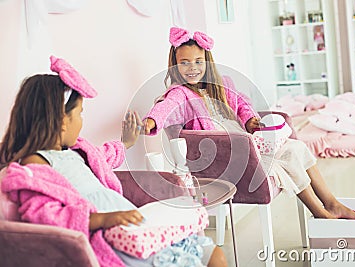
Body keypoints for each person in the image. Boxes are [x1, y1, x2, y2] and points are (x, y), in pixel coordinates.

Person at [0, 56, 227, 267]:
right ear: (61, 121)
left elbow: (102, 158)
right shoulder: (34, 167)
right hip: (116, 242)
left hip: (136, 228)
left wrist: (126, 143)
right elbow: (42, 214)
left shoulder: (74, 150)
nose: (81, 121)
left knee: (214, 254)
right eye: (79, 114)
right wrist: (103, 219)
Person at [143, 27, 355, 220]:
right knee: (289, 156)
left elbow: (242, 102)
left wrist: (251, 120)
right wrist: (152, 121)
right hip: (226, 156)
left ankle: (330, 204)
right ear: (175, 66)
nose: (192, 67)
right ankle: (321, 211)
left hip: (245, 143)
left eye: (198, 61)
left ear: (207, 62)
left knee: (296, 148)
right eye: (184, 63)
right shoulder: (179, 94)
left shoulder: (221, 85)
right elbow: (165, 107)